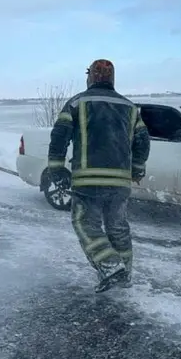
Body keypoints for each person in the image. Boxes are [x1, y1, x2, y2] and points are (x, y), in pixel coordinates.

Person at [46, 59, 150, 292]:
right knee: (118, 227)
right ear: (112, 79)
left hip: (88, 180)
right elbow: (143, 141)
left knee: (85, 223)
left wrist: (56, 168)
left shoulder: (77, 103)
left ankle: (111, 268)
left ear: (90, 77)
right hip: (120, 182)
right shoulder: (130, 107)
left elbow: (59, 136)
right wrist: (137, 169)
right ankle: (125, 277)